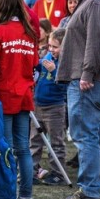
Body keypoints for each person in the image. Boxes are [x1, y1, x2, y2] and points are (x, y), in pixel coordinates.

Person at [57, 0, 100, 199]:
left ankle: (89, 190)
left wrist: (87, 73)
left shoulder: (95, 3)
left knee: (84, 136)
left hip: (87, 80)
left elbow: (95, 41)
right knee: (96, 136)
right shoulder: (88, 3)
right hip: (88, 79)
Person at [0, 0, 39, 199]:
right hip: (25, 95)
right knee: (23, 149)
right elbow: (35, 67)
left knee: (5, 149)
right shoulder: (29, 32)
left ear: (3, 4)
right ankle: (26, 198)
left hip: (4, 96)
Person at [30, 29, 68, 186]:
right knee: (34, 140)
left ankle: (58, 173)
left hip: (55, 108)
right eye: (50, 46)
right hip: (37, 105)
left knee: (56, 142)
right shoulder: (46, 57)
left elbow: (65, 85)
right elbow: (37, 71)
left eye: (55, 47)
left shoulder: (65, 63)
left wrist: (55, 71)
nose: (51, 49)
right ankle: (31, 170)